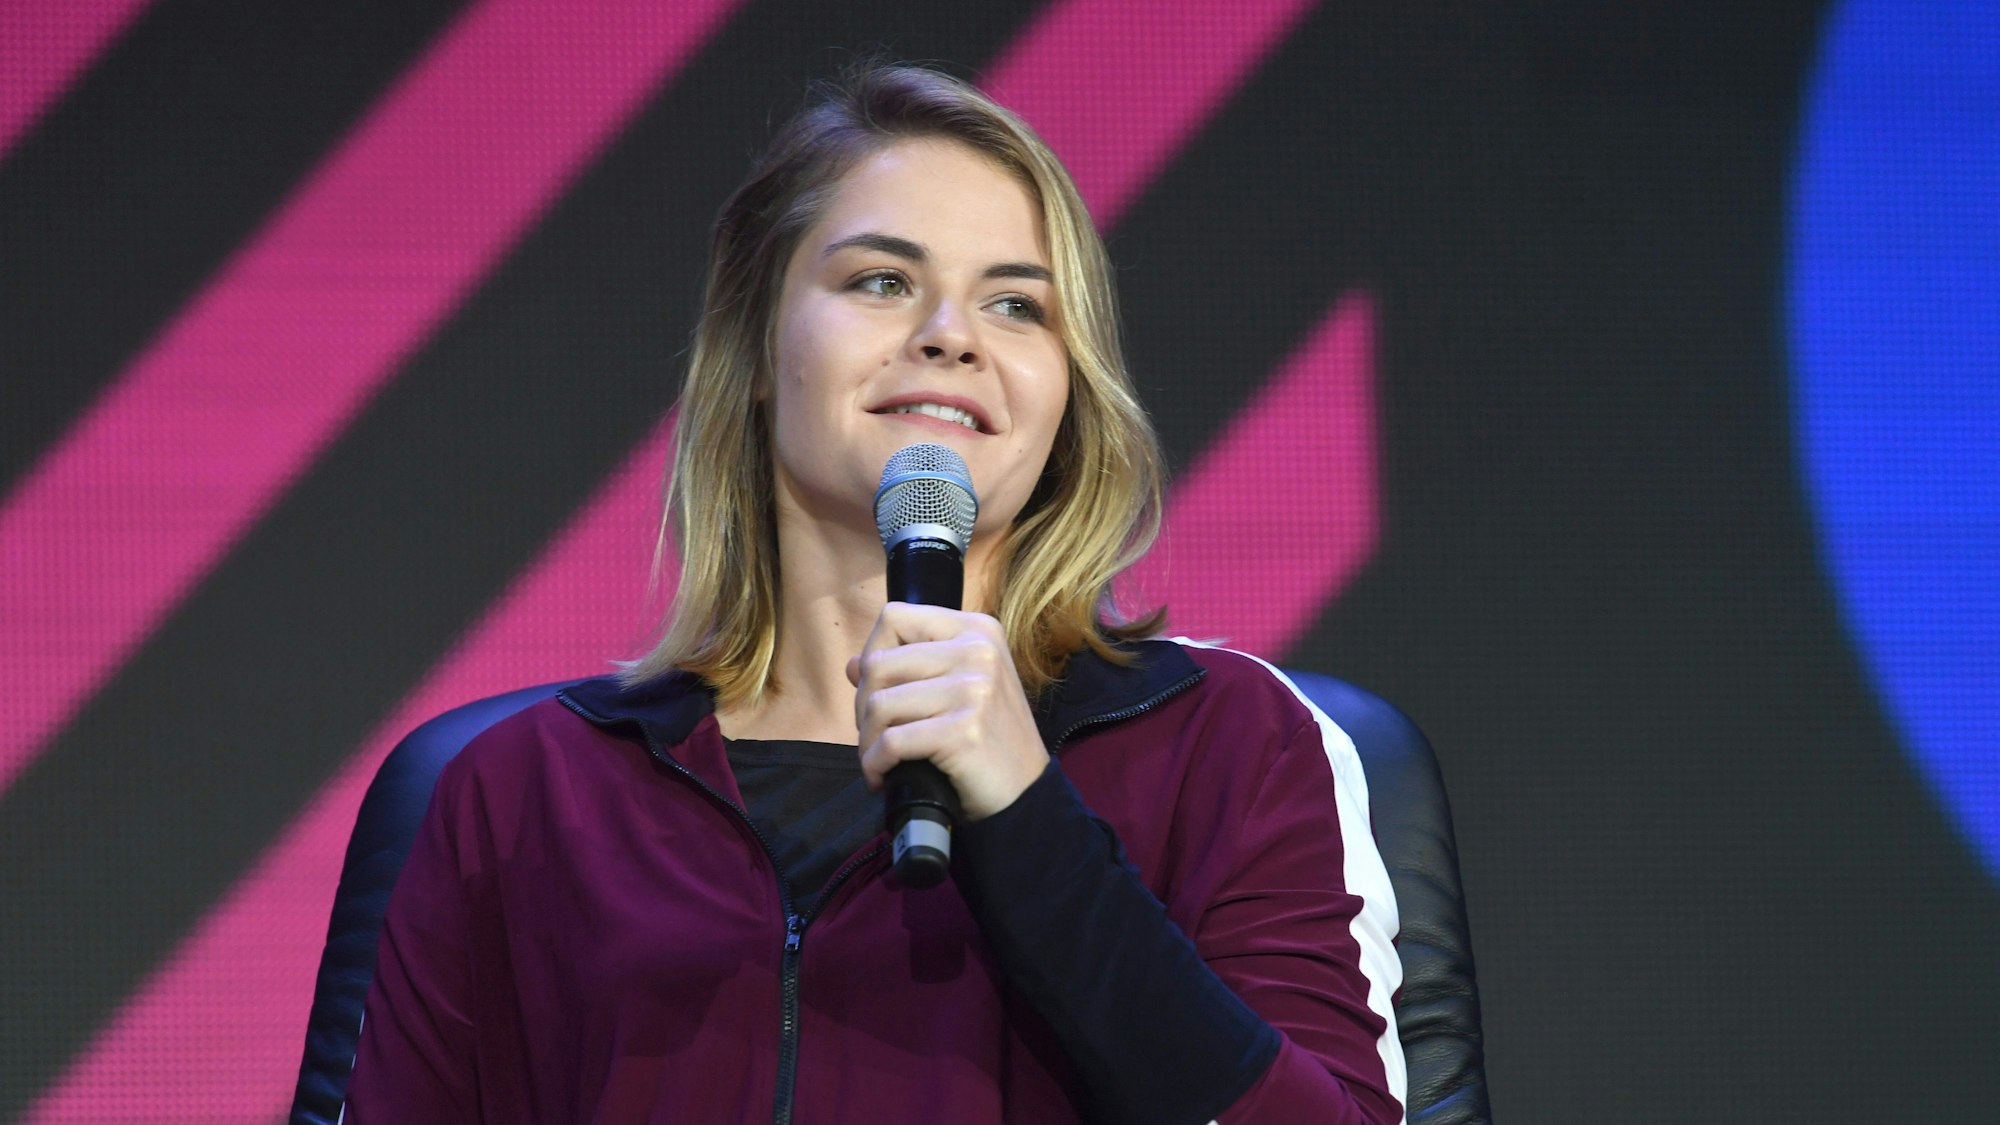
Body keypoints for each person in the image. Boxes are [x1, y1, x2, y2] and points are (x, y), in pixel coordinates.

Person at [343, 61, 1406, 1123]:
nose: (951, 334)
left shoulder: (1228, 747)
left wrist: (1029, 818)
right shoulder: (521, 795)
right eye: (882, 282)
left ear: (1067, 392)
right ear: (757, 349)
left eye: (1016, 304)